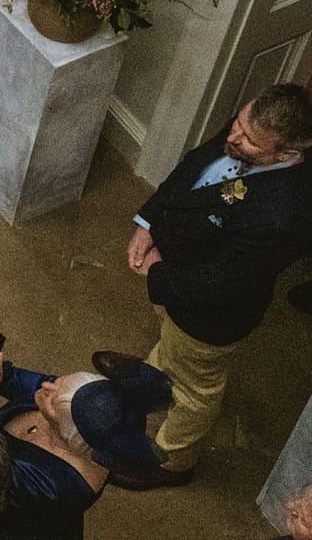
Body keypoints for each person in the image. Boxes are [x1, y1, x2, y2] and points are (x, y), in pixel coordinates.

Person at [120, 84, 312, 487]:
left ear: (289, 155)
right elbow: (193, 166)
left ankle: (172, 461)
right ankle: (155, 377)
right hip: (177, 282)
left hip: (208, 315)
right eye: (238, 123)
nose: (233, 138)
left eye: (251, 142)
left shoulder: (282, 217)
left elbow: (219, 282)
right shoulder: (253, 124)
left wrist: (156, 272)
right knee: (174, 350)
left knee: (196, 391)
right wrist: (149, 221)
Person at [0, 343, 173, 535]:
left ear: (69, 437)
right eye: (60, 383)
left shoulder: (58, 484)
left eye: (53, 402)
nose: (45, 387)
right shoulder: (67, 399)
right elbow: (11, 379)